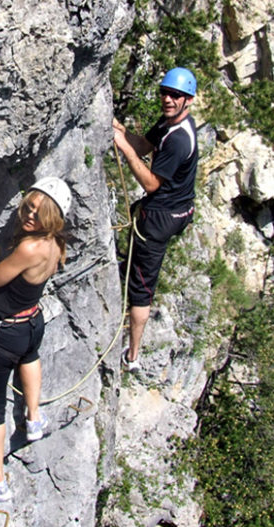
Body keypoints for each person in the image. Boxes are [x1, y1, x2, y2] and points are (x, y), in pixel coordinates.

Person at [0, 177, 71, 503]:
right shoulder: (56, 243)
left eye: (39, 212)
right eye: (28, 206)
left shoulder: (29, 248)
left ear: (52, 217)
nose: (30, 215)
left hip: (4, 332)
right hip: (31, 323)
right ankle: (34, 417)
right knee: (30, 357)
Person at [113, 67, 198, 368]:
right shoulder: (169, 123)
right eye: (165, 92)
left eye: (175, 95)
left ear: (188, 100)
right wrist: (119, 130)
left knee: (142, 288)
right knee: (138, 270)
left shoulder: (178, 140)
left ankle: (132, 355)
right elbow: (144, 145)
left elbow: (150, 183)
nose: (168, 99)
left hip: (161, 217)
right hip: (177, 207)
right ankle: (129, 271)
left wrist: (124, 149)